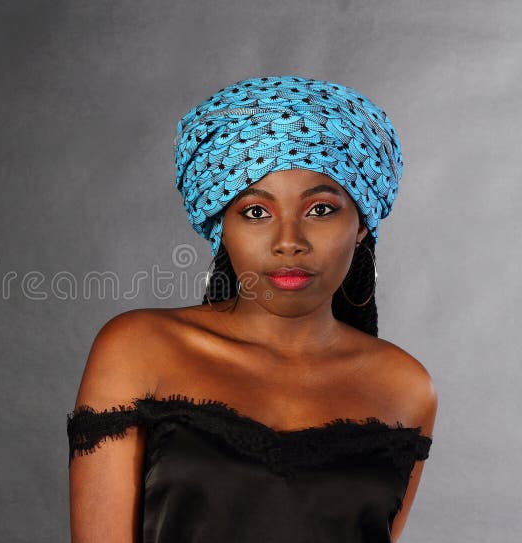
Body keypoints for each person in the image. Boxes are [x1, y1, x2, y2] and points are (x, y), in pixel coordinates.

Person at [66, 75, 437, 543]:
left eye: (320, 209)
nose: (289, 242)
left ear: (361, 223)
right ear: (222, 225)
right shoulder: (139, 350)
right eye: (256, 212)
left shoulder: (404, 387)